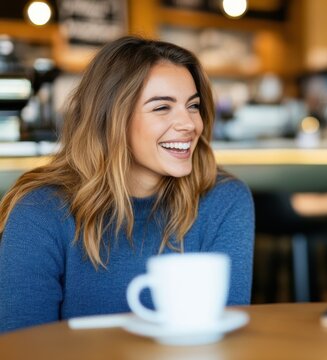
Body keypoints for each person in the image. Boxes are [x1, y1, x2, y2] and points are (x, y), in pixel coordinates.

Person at [0, 36, 255, 333]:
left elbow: (227, 335)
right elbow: (21, 345)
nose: (189, 124)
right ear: (111, 119)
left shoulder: (223, 200)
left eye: (193, 106)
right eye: (162, 108)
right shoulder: (39, 212)